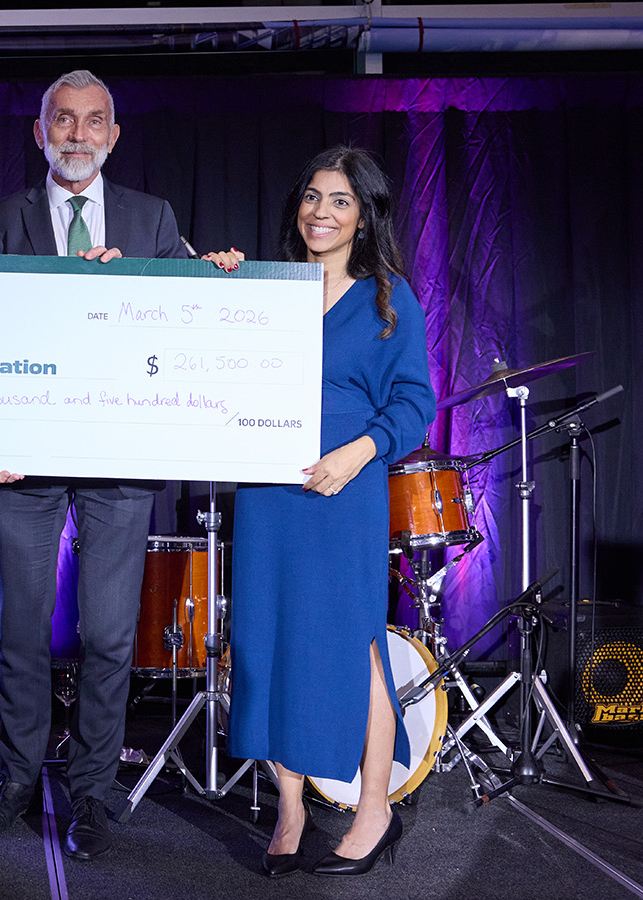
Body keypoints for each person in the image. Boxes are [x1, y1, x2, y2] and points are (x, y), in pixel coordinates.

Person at [0, 69, 189, 862]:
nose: (78, 134)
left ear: (113, 136)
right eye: (64, 120)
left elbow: (182, 323)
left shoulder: (153, 218)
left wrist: (187, 279)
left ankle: (92, 787)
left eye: (94, 121)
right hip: (25, 460)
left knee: (112, 636)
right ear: (40, 132)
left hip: (120, 457)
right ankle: (19, 781)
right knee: (20, 633)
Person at [226, 146, 435, 879]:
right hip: (267, 490)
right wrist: (216, 285)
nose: (321, 212)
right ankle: (290, 809)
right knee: (266, 642)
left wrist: (358, 452)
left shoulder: (388, 298)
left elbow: (415, 403)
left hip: (344, 491)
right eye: (312, 197)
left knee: (353, 645)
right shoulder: (266, 287)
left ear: (364, 216)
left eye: (340, 201)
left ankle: (375, 810)